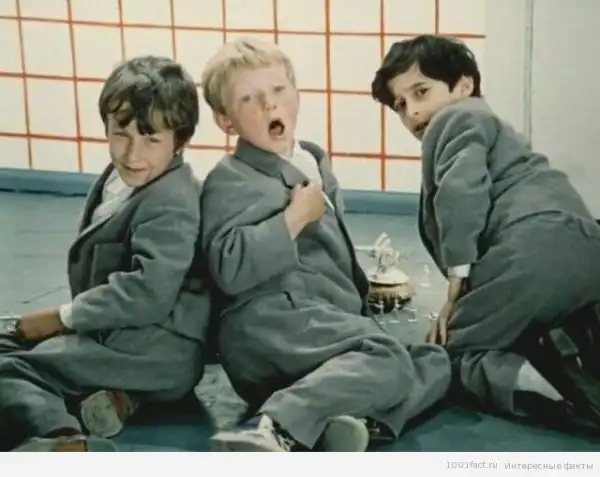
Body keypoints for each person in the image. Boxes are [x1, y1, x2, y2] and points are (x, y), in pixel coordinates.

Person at [199, 36, 451, 452]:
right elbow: (228, 267)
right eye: (249, 98)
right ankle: (272, 427)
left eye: (278, 90)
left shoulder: (310, 160)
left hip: (317, 328)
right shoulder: (230, 179)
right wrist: (294, 217)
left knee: (433, 361)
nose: (269, 104)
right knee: (386, 359)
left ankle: (344, 419)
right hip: (270, 328)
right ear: (226, 121)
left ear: (297, 94)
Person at [370, 34, 600, 428]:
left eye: (421, 92)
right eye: (400, 104)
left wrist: (456, 284)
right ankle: (560, 347)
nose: (412, 112)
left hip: (528, 254)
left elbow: (460, 192)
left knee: (447, 353)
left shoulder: (456, 118)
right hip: (585, 249)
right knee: (539, 318)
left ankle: (552, 383)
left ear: (464, 86)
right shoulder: (495, 129)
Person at [0, 56, 212, 451]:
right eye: (121, 134)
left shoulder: (173, 202)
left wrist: (61, 318)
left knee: (11, 370)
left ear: (180, 141)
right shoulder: (122, 178)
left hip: (154, 353)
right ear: (107, 127)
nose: (132, 153)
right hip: (119, 333)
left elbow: (147, 293)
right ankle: (114, 397)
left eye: (151, 139)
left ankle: (65, 445)